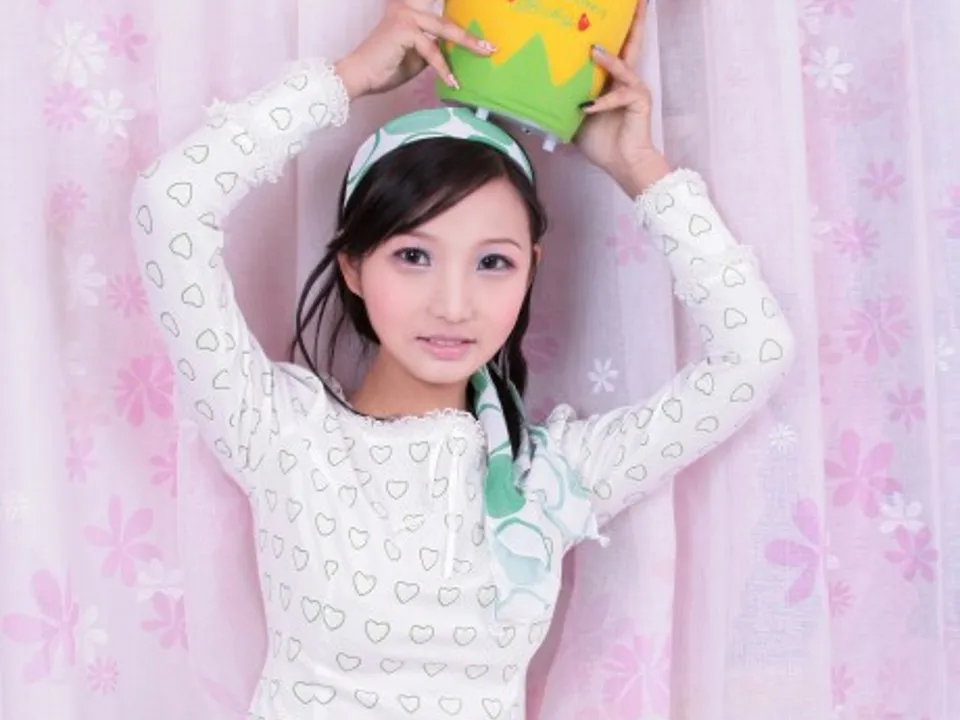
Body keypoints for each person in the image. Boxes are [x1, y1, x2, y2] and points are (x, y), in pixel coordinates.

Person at [129, 1, 795, 717]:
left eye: (493, 263)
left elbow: (756, 353)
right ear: (353, 265)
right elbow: (169, 204)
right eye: (413, 257)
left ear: (531, 271)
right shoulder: (282, 433)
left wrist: (639, 168)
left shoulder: (550, 478)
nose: (453, 305)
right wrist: (346, 78)